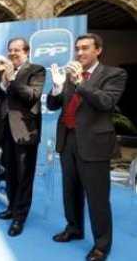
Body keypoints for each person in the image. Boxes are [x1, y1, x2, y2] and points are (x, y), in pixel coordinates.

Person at [47, 33, 127, 261]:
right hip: (68, 140)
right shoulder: (70, 77)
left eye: (85, 48)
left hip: (94, 143)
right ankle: (74, 228)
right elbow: (54, 105)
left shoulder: (114, 74)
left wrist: (80, 82)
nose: (79, 53)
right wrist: (56, 86)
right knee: (70, 191)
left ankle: (102, 245)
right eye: (77, 49)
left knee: (97, 198)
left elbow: (105, 102)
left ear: (98, 50)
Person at [0, 38, 45, 237]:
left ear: (26, 51)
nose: (12, 53)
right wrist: (4, 80)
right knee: (10, 173)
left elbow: (32, 95)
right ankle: (11, 208)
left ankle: (20, 217)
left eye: (16, 50)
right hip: (6, 131)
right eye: (10, 50)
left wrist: (13, 78)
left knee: (24, 176)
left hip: (25, 132)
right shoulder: (4, 72)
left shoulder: (36, 70)